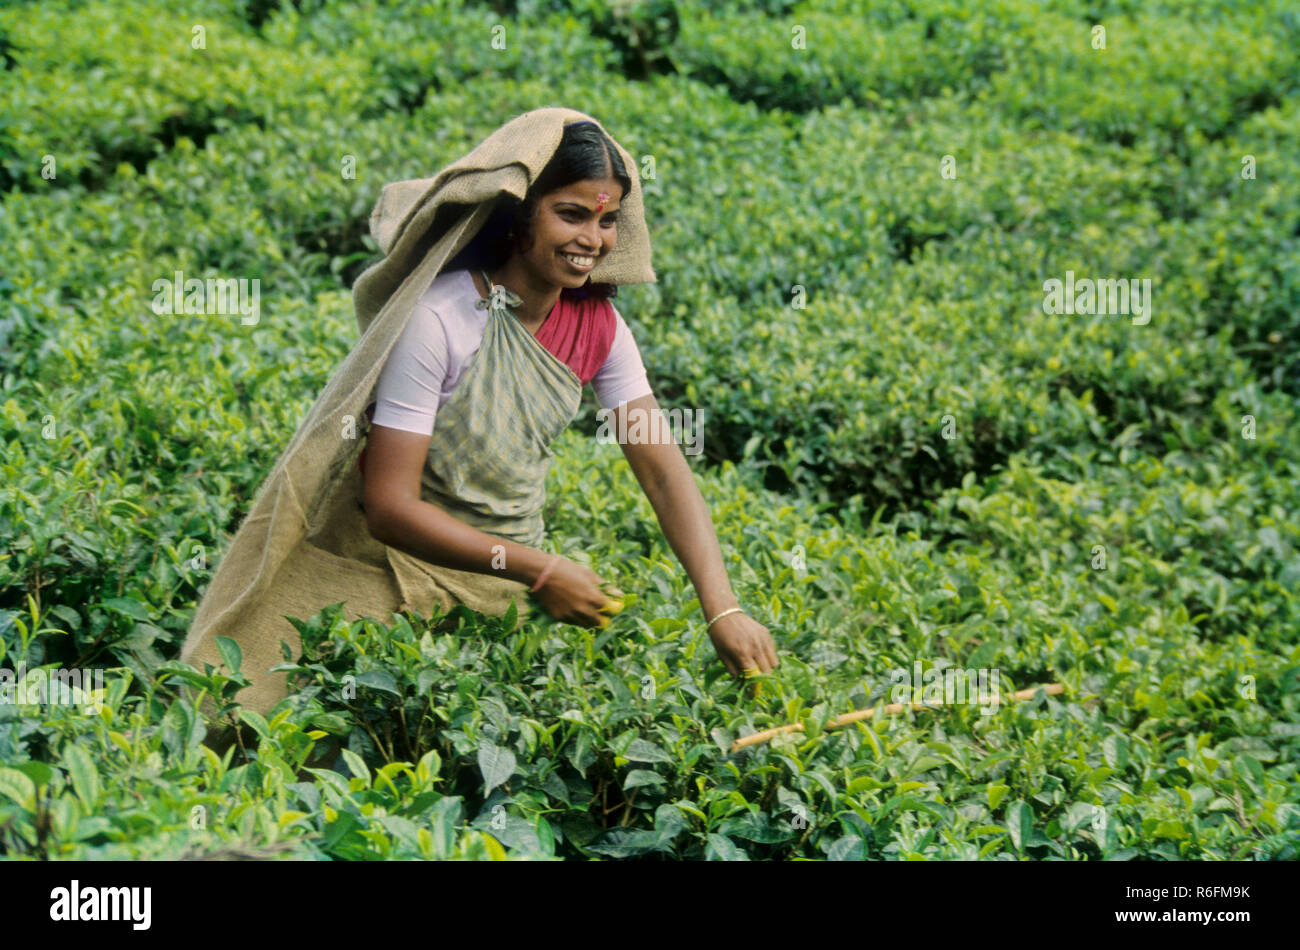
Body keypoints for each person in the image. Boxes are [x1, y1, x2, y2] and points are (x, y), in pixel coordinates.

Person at [361, 119, 778, 679]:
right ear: (521, 215)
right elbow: (390, 508)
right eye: (572, 214)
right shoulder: (440, 318)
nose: (594, 240)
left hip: (511, 590)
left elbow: (664, 474)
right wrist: (543, 570)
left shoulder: (600, 329)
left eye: (607, 220)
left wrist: (723, 608)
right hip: (400, 576)